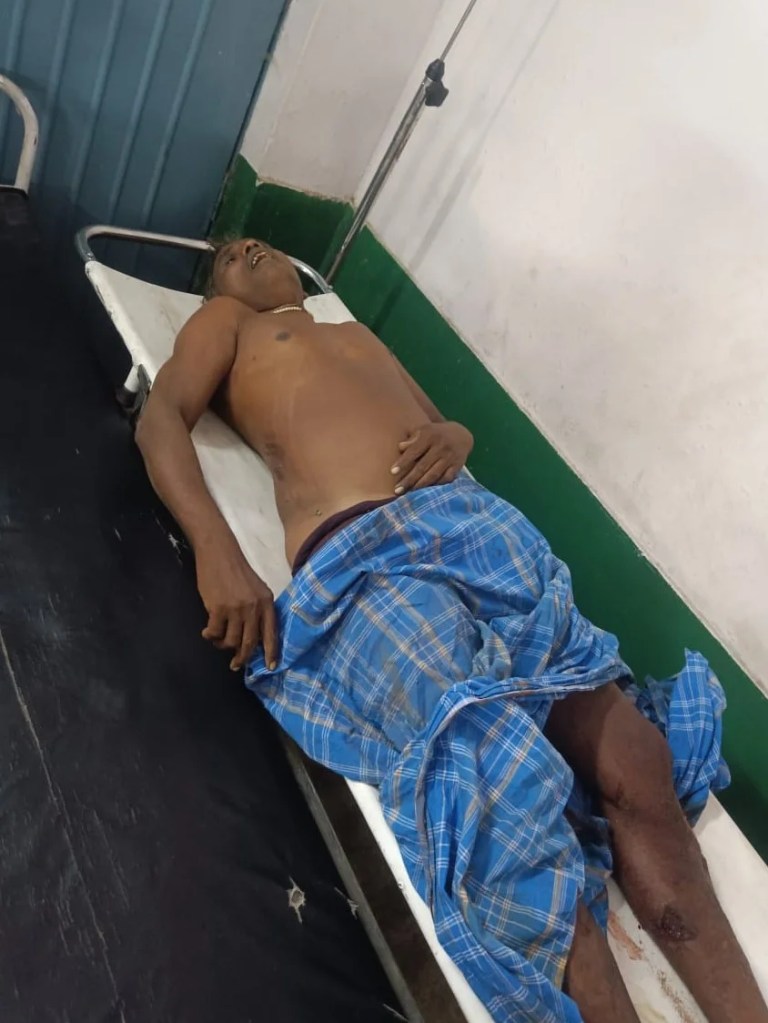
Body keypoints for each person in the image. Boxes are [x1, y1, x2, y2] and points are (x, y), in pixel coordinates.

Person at [136, 237, 767, 1023]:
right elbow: (161, 418)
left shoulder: (352, 329)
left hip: (473, 527)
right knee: (503, 799)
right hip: (366, 555)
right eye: (230, 254)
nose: (248, 247)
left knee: (637, 763)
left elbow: (440, 424)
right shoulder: (229, 323)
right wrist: (217, 550)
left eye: (256, 244)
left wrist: (459, 436)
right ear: (215, 291)